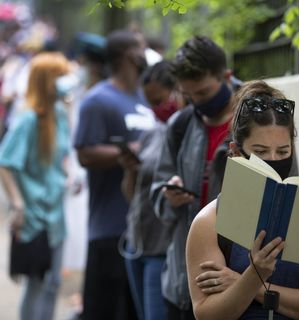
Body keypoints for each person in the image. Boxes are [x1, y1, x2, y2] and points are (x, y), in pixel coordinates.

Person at [186, 80, 299, 319]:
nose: (272, 159)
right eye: (259, 152)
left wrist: (255, 285)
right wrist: (255, 273)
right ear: (236, 151)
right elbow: (207, 314)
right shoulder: (209, 222)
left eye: (282, 151)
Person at [150, 35, 237, 319]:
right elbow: (158, 195)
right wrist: (168, 196)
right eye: (189, 95)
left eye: (203, 92)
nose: (197, 102)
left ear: (226, 76)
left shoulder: (256, 122)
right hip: (182, 284)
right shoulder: (180, 125)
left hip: (238, 280)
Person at [74, 29, 155, 320]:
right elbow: (84, 153)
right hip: (109, 230)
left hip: (143, 231)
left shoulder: (144, 98)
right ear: (129, 55)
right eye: (142, 48)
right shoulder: (98, 100)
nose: (147, 54)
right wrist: (127, 152)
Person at [0, 52, 70, 320]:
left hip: (56, 214)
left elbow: (58, 155)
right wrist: (18, 204)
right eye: (60, 76)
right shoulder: (29, 119)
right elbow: (6, 161)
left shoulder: (60, 114)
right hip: (34, 214)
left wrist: (68, 176)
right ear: (47, 81)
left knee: (52, 282)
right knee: (36, 283)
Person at [119, 60, 185, 320]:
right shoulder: (152, 133)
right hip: (137, 244)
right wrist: (130, 170)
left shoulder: (186, 133)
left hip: (163, 248)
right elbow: (132, 196)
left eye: (159, 100)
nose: (156, 109)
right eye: (151, 103)